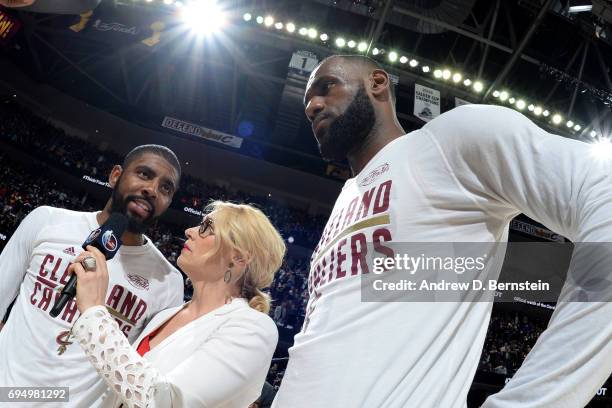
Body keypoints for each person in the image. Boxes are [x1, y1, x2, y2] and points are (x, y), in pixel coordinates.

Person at [272, 55, 612, 407]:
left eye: (326, 87)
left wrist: (538, 400)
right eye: (308, 100)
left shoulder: (448, 141)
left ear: (377, 83)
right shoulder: (348, 197)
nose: (312, 105)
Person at [0, 144, 185, 407]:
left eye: (166, 188)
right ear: (115, 175)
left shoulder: (168, 281)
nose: (152, 190)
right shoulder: (47, 221)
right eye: (144, 174)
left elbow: (142, 375)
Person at [70, 201, 286, 407]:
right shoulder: (166, 315)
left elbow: (167, 402)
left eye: (206, 228)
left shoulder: (254, 328)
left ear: (238, 259)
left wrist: (94, 313)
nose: (189, 231)